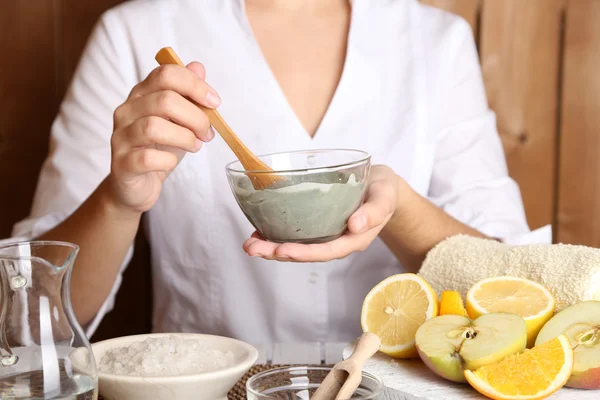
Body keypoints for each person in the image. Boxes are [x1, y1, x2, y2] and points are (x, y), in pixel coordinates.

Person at [12, 0, 549, 351]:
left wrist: (399, 209)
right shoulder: (138, 31)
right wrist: (118, 201)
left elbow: (512, 295)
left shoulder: (436, 42)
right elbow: (29, 319)